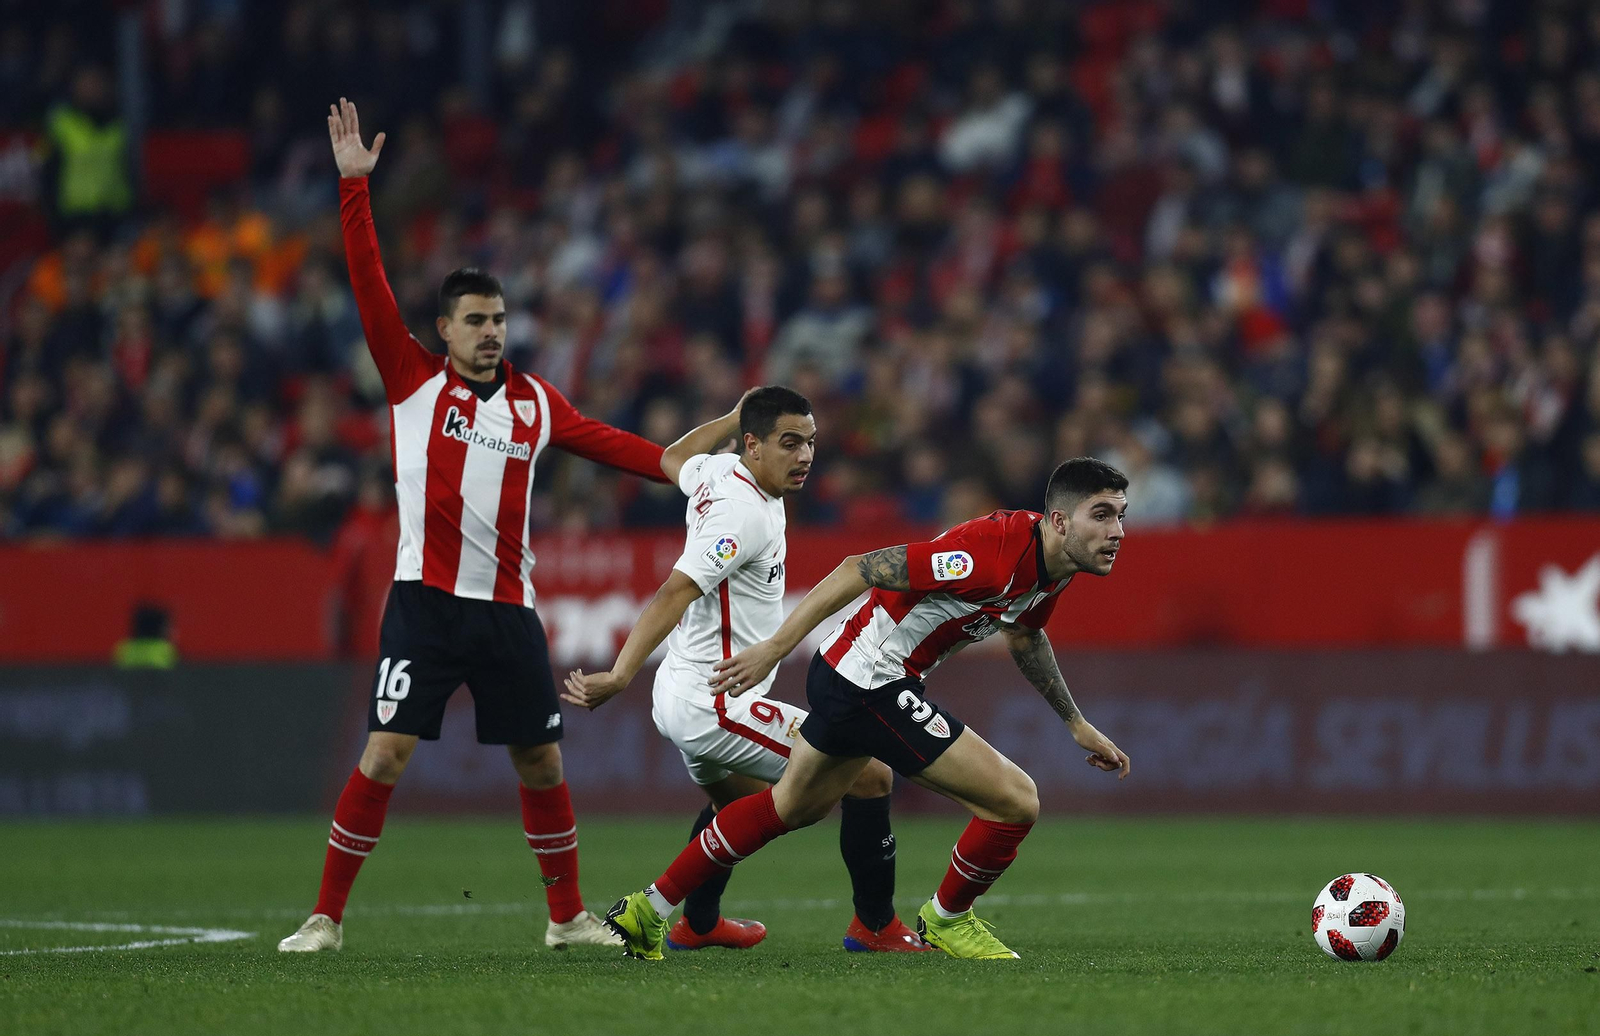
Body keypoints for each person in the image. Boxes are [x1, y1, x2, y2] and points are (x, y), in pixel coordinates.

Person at [280, 99, 671, 953]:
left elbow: (618, 447)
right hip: (424, 605)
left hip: (506, 613)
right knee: (385, 754)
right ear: (443, 331)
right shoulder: (411, 380)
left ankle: (565, 918)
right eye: (476, 322)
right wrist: (354, 190)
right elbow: (368, 284)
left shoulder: (536, 401)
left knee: (542, 764)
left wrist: (691, 468)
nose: (492, 334)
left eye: (500, 321)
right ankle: (325, 918)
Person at [605, 457, 1135, 960]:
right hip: (870, 681)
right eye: (1103, 515)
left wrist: (1076, 723)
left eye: (1121, 517)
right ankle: (948, 917)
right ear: (1061, 520)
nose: (1117, 532)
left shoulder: (1056, 564)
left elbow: (1025, 634)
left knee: (789, 806)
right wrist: (775, 648)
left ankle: (648, 909)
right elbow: (859, 568)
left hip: (848, 676)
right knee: (1016, 801)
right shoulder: (990, 555)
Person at [562, 386, 931, 953]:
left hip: (686, 688)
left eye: (810, 442)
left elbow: (670, 460)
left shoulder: (717, 470)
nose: (805, 456)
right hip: (714, 698)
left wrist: (732, 417)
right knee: (868, 773)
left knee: (734, 806)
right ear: (754, 446)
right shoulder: (741, 517)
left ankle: (699, 923)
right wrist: (618, 673)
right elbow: (674, 592)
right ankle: (875, 926)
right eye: (790, 443)